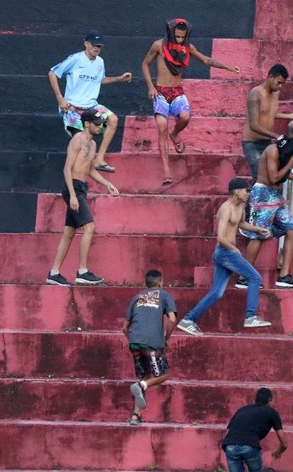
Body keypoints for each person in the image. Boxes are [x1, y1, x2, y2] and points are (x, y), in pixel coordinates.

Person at [141, 18, 240, 186]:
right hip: (160, 92)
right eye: (177, 36)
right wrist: (150, 86)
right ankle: (166, 172)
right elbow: (145, 64)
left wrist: (228, 67)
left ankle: (175, 135)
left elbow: (206, 60)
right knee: (162, 127)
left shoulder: (188, 48)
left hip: (177, 91)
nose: (179, 39)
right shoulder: (158, 45)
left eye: (182, 37)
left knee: (185, 117)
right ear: (171, 33)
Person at [176, 178, 272, 334]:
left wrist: (257, 230)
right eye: (246, 191)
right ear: (237, 191)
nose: (248, 194)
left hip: (228, 253)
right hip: (224, 252)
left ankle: (188, 320)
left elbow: (240, 224)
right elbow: (220, 237)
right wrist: (235, 249)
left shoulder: (240, 205)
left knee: (217, 292)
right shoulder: (225, 208)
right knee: (255, 278)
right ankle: (250, 316)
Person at [237, 126, 293, 290]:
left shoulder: (286, 152)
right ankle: (244, 276)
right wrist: (291, 163)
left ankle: (284, 275)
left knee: (291, 229)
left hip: (276, 196)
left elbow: (283, 174)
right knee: (258, 235)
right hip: (263, 194)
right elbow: (273, 177)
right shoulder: (273, 150)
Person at [47, 110, 118, 287]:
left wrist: (107, 184)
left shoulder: (93, 144)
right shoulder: (77, 139)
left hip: (81, 188)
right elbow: (67, 169)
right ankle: (82, 271)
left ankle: (54, 273)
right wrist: (72, 195)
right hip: (73, 188)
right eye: (96, 124)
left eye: (101, 124)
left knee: (69, 233)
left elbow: (91, 169)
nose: (100, 127)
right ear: (87, 124)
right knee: (89, 227)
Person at [48, 29, 132, 173]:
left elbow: (101, 80)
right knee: (82, 142)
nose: (96, 48)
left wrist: (119, 78)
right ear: (86, 44)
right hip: (72, 108)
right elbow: (53, 73)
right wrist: (60, 99)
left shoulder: (100, 62)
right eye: (93, 45)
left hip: (91, 106)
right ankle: (75, 177)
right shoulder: (76, 59)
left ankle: (99, 159)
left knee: (113, 120)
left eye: (99, 46)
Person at [220, 387, 288, 472]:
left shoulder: (242, 410)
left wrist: (230, 448)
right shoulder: (271, 412)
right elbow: (284, 442)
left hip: (230, 445)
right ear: (270, 400)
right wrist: (279, 451)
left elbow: (227, 434)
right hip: (250, 445)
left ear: (255, 399)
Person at [122, 270, 177, 426]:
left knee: (145, 375)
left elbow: (124, 328)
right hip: (152, 343)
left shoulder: (136, 297)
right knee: (164, 374)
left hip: (134, 342)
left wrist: (134, 340)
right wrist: (166, 338)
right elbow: (172, 320)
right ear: (160, 283)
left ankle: (135, 416)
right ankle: (141, 386)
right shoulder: (165, 295)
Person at [243, 64, 293, 181]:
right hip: (252, 143)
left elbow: (270, 113)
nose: (280, 86)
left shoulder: (275, 93)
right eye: (278, 82)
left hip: (268, 142)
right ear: (270, 77)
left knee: (273, 176)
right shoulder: (256, 94)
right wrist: (276, 136)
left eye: (282, 84)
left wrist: (290, 116)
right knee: (260, 179)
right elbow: (253, 125)